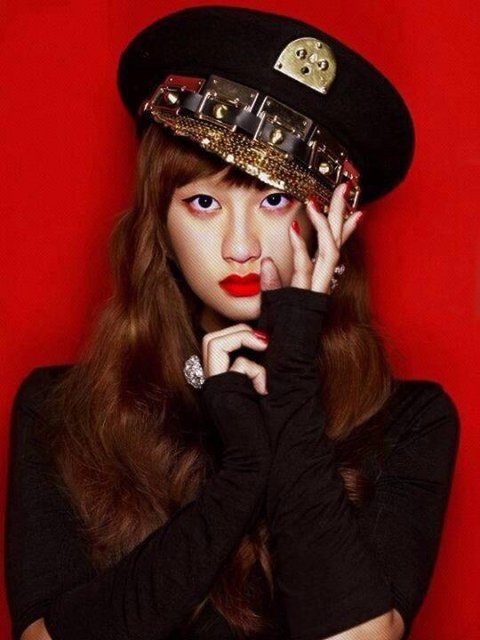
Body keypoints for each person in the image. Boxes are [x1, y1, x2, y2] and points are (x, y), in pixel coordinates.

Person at [4, 6, 460, 640]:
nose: (240, 247)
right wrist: (240, 476)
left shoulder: (408, 422)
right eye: (203, 202)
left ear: (329, 229)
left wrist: (290, 385)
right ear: (159, 228)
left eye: (274, 199)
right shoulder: (59, 409)